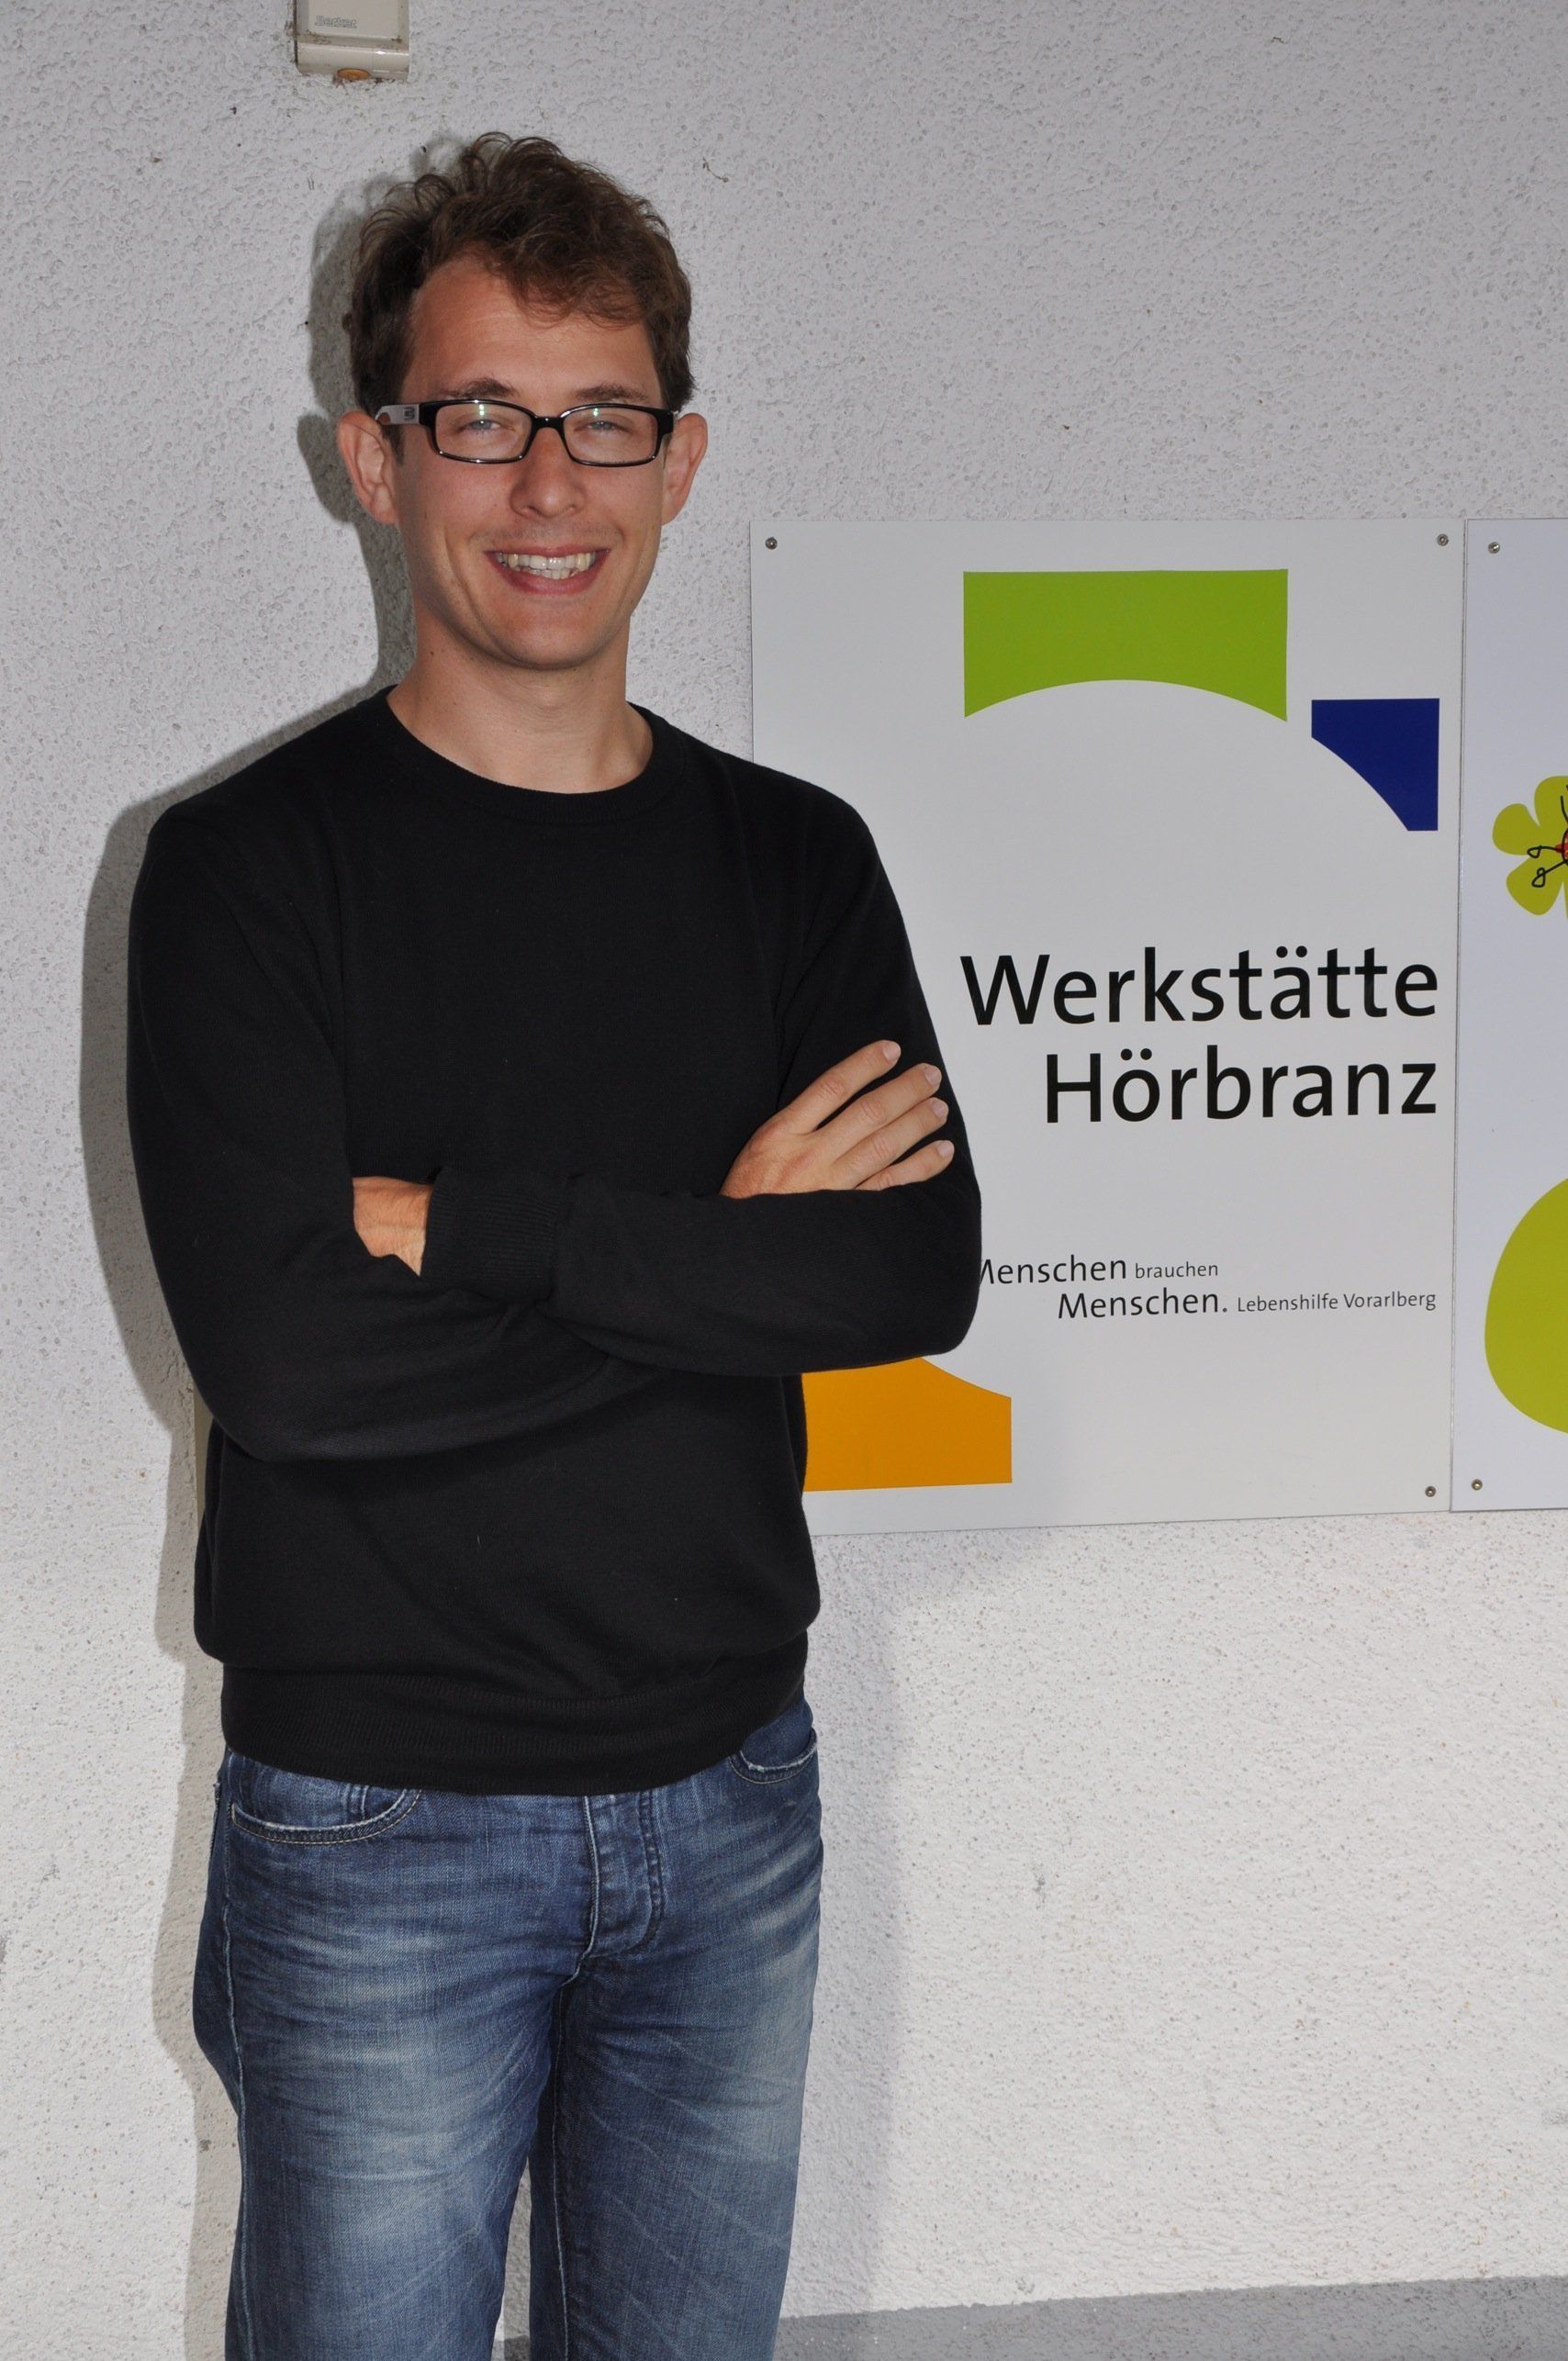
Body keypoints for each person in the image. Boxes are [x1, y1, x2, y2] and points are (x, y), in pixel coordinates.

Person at [126, 130, 982, 2361]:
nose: (544, 484)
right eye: (480, 416)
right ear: (374, 458)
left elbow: (906, 1278)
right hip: (376, 1819)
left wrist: (470, 1230)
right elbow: (295, 1370)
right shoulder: (244, 872)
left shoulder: (795, 865)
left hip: (733, 1789)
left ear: (679, 462)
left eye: (601, 419)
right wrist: (727, 1257)